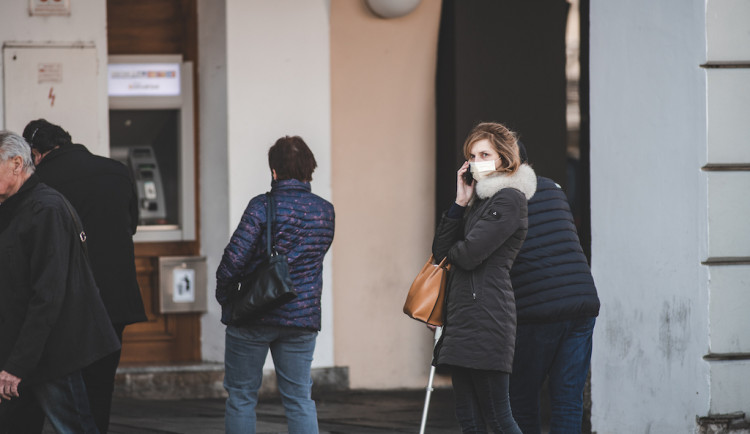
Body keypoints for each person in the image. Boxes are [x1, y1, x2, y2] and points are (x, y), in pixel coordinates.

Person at [21, 119, 147, 434]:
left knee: (57, 387)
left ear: (35, 154)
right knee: (100, 385)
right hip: (115, 299)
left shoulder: (40, 181)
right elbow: (131, 225)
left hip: (68, 298)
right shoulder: (117, 170)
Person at [0, 131, 121, 433]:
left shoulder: (46, 209)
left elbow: (49, 294)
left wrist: (17, 366)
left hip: (51, 351)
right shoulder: (14, 206)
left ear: (17, 163)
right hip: (22, 348)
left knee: (74, 427)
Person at [216, 135, 335, 434]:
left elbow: (234, 259)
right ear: (310, 169)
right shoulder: (325, 211)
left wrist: (226, 297)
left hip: (254, 314)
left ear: (274, 171)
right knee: (299, 399)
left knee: (242, 397)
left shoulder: (261, 206)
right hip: (302, 316)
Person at [431, 122, 536, 434]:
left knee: (499, 419)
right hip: (463, 319)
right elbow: (441, 253)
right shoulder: (478, 202)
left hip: (487, 318)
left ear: (503, 159)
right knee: (470, 422)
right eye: (472, 155)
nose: (476, 161)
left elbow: (467, 255)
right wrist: (459, 203)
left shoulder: (509, 199)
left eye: (484, 153)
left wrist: (455, 249)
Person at [508, 141, 600, 434]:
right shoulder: (552, 187)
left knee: (522, 397)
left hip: (538, 310)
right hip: (582, 302)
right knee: (568, 399)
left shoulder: (498, 199)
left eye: (482, 156)